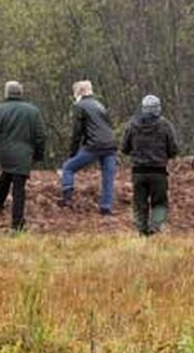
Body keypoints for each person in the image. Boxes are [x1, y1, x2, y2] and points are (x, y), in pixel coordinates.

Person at [0, 81, 46, 232]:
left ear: (6, 93)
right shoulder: (33, 111)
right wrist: (38, 155)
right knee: (19, 187)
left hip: (4, 153)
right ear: (21, 93)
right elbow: (41, 136)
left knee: (6, 175)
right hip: (24, 153)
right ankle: (17, 223)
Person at [120, 95, 179, 236]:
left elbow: (124, 148)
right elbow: (173, 149)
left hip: (138, 171)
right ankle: (155, 228)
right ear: (158, 108)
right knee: (159, 202)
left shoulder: (132, 125)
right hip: (158, 171)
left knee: (139, 203)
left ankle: (141, 231)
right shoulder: (165, 125)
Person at [59, 80, 117, 214]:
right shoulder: (100, 105)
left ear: (78, 92)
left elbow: (77, 132)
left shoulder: (80, 106)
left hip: (94, 145)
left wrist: (73, 153)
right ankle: (106, 207)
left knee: (68, 167)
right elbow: (108, 125)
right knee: (108, 177)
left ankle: (67, 196)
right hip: (110, 145)